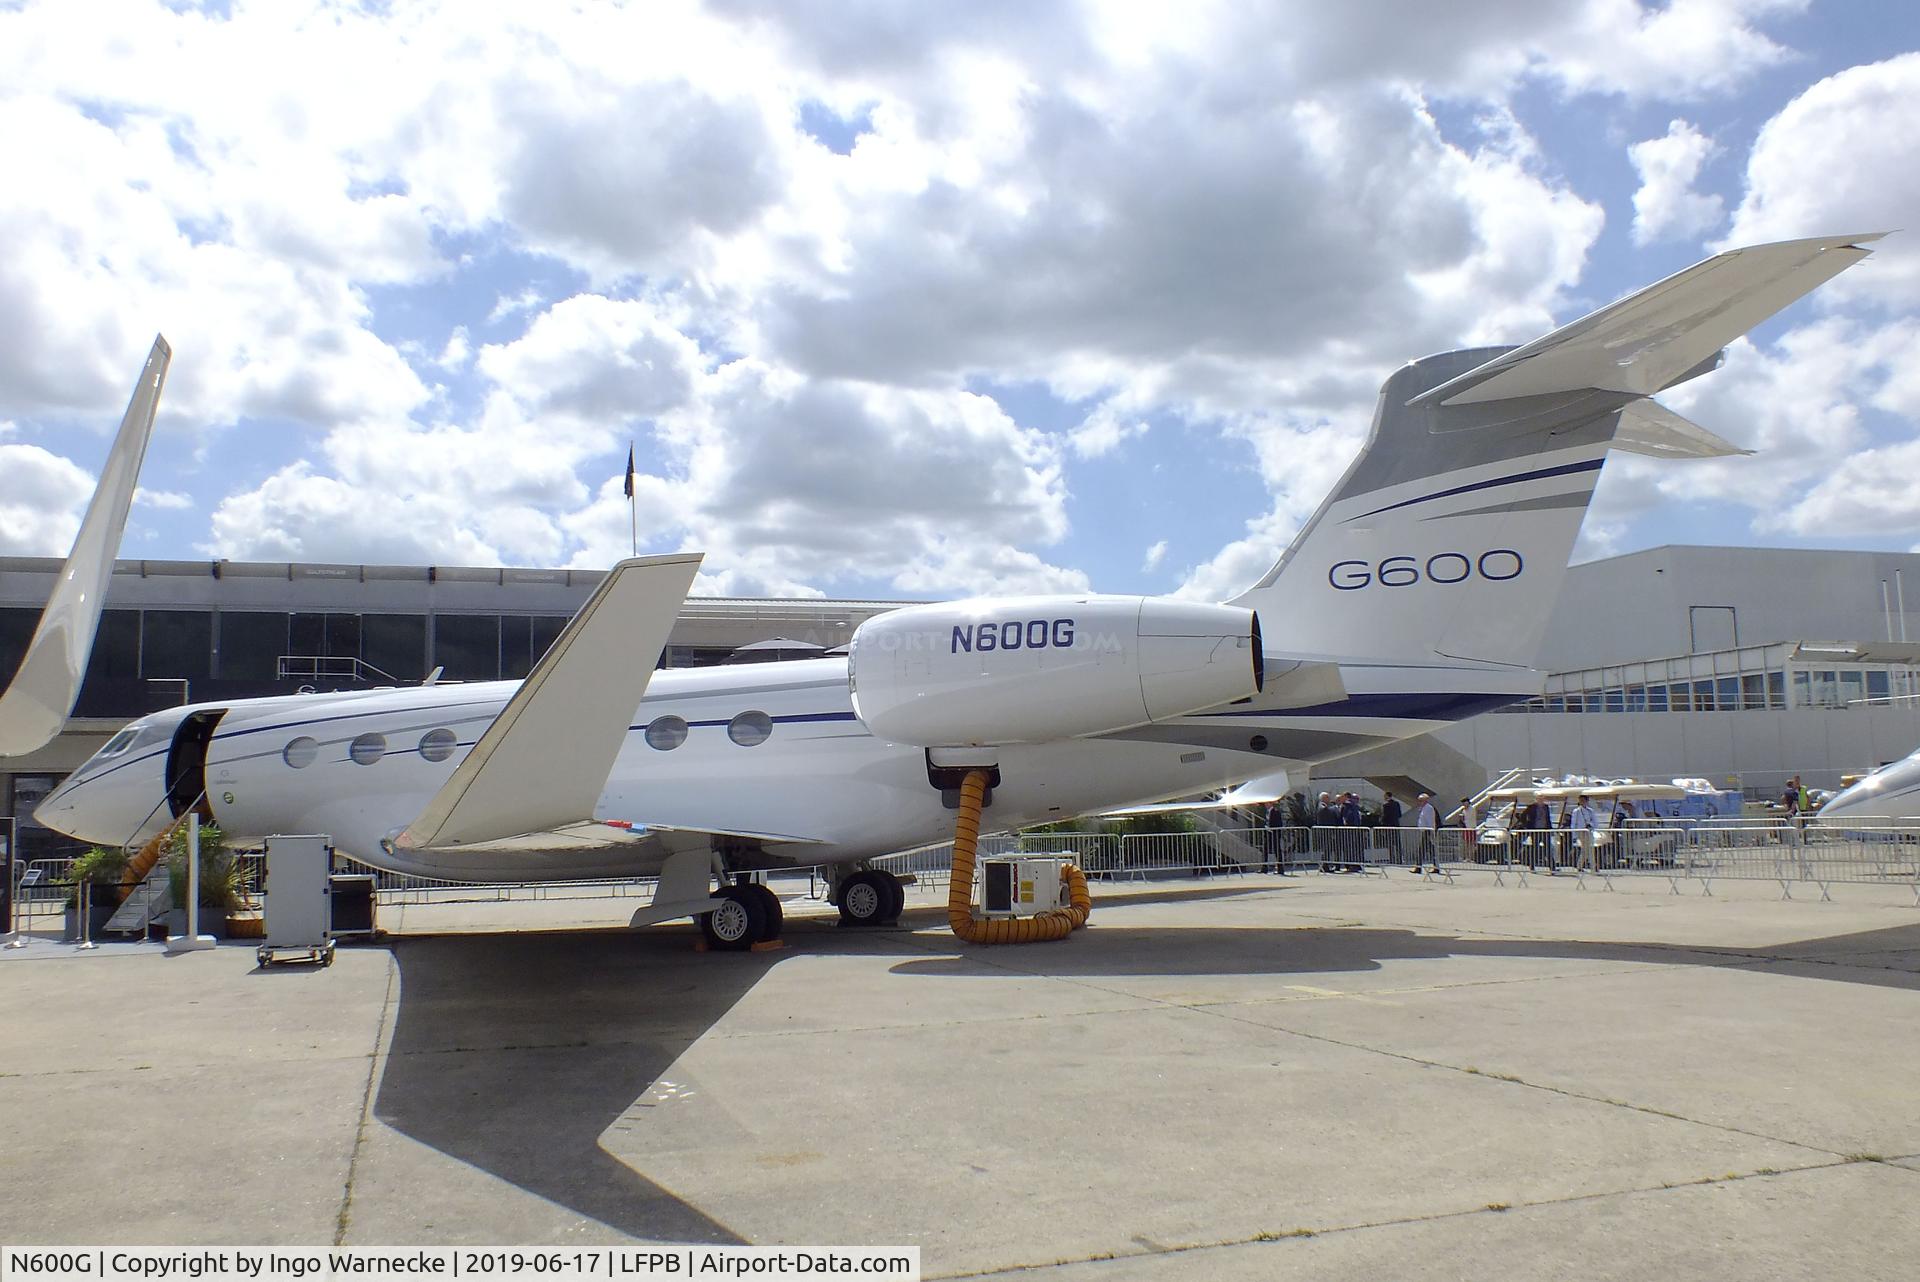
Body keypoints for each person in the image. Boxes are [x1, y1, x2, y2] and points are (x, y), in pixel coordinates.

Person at [1570, 793, 1599, 871]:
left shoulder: (1590, 811)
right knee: (1586, 849)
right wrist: (1574, 835)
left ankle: (1586, 866)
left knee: (1590, 849)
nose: (1582, 802)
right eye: (1581, 800)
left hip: (1589, 831)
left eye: (1583, 800)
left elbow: (1595, 821)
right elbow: (1573, 823)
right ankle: (1590, 866)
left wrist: (1591, 825)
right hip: (1581, 831)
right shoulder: (1576, 811)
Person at [1411, 793, 1438, 874]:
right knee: (1430, 850)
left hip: (1427, 831)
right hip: (1424, 831)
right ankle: (1435, 866)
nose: (1419, 802)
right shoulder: (1423, 808)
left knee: (1421, 850)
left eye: (1420, 800)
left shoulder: (1428, 808)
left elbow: (1430, 820)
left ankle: (1418, 867)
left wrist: (1431, 830)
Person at [1339, 791, 1364, 871]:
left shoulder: (1346, 806)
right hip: (1355, 829)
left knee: (1349, 847)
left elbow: (1344, 818)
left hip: (1349, 830)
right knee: (1355, 847)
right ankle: (1356, 864)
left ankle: (1350, 865)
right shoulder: (1354, 806)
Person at [1380, 791, 1403, 865]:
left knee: (1390, 842)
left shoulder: (1386, 805)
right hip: (1396, 825)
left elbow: (1385, 816)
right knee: (1397, 842)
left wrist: (1382, 823)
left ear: (1387, 796)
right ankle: (1399, 859)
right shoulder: (1397, 804)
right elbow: (1399, 814)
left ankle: (1391, 858)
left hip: (1389, 826)